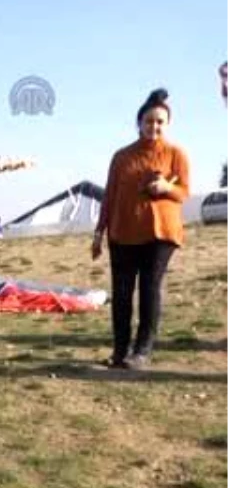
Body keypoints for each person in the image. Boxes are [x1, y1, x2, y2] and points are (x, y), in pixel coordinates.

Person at [92, 88, 191, 370]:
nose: (154, 126)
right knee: (121, 293)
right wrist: (99, 233)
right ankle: (119, 351)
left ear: (167, 124)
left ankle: (142, 352)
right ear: (139, 123)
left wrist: (166, 187)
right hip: (122, 232)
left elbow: (184, 192)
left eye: (160, 122)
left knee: (149, 288)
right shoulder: (121, 157)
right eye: (149, 121)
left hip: (160, 234)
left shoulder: (176, 154)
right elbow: (109, 195)